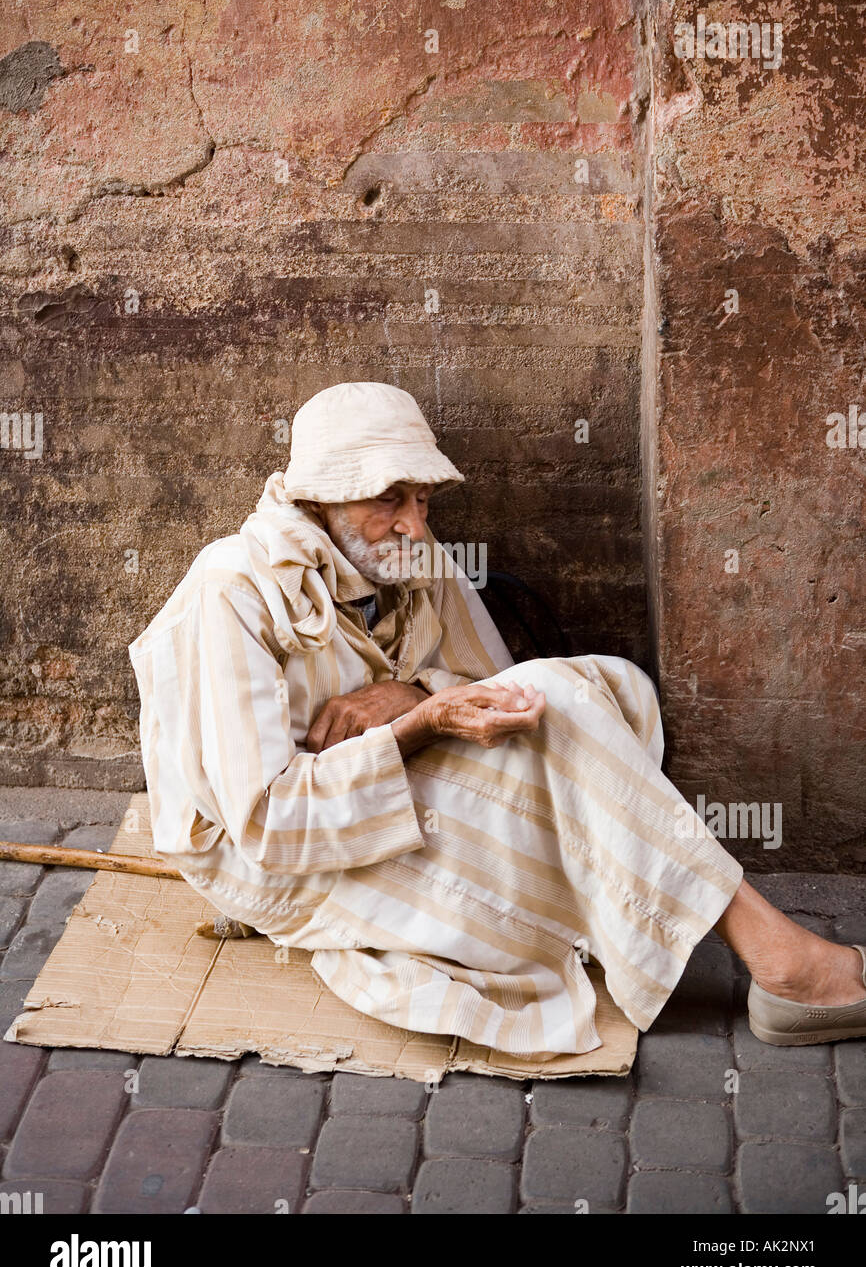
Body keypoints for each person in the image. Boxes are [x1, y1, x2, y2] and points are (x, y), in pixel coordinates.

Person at [128, 383, 866, 1056]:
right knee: (567, 717)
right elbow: (263, 823)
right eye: (391, 497)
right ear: (325, 494)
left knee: (611, 689)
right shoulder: (233, 592)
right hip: (280, 858)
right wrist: (414, 730)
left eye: (423, 500)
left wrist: (412, 695)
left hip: (383, 787)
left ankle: (705, 925)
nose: (415, 525)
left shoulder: (406, 552)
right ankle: (784, 964)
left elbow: (501, 688)